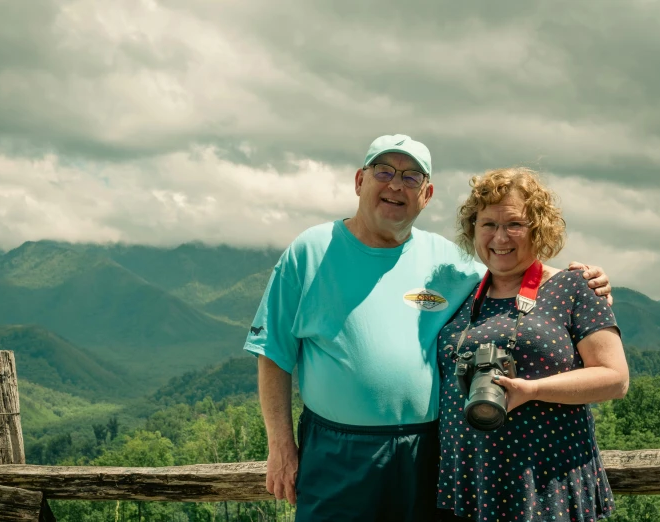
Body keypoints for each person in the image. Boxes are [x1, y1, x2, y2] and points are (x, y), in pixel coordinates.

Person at [244, 135, 611, 521]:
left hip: (429, 449)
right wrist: (280, 445)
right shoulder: (310, 251)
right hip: (337, 449)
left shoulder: (451, 262)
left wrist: (586, 280)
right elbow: (273, 352)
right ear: (359, 181)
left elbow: (512, 265)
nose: (396, 184)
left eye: (411, 177)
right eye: (383, 171)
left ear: (427, 193)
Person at [436, 167, 629, 522]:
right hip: (470, 485)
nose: (500, 237)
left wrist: (532, 389)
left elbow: (615, 378)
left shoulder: (574, 288)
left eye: (514, 224)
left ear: (538, 228)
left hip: (545, 485)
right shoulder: (461, 297)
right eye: (488, 224)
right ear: (473, 230)